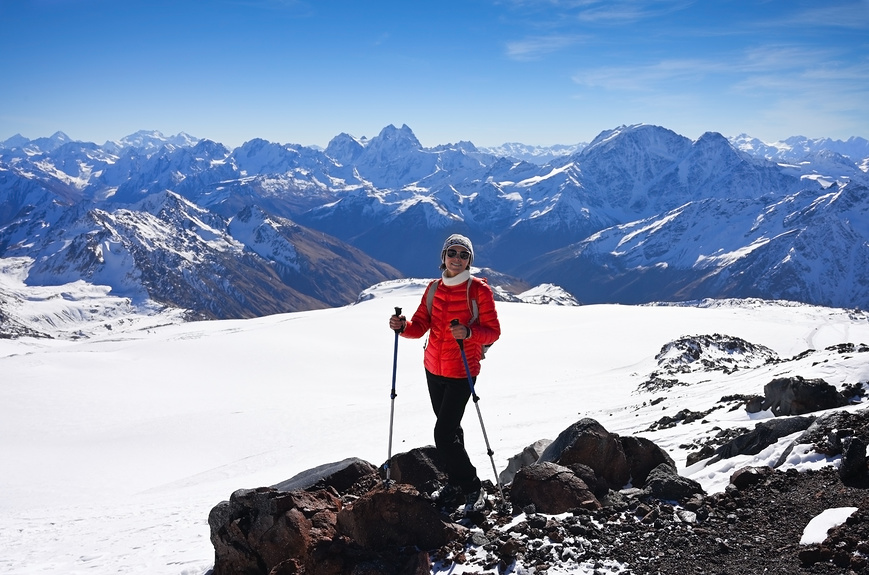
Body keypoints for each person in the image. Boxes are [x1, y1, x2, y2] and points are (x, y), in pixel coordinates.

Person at [388, 233, 501, 511]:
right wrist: (402, 327)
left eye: (464, 255)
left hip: (463, 369)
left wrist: (469, 332)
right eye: (453, 253)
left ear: (470, 260)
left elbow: (494, 332)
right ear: (444, 257)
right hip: (433, 368)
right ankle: (455, 484)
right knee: (451, 431)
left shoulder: (479, 291)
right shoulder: (433, 288)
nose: (458, 259)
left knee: (443, 432)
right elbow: (420, 325)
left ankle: (474, 488)